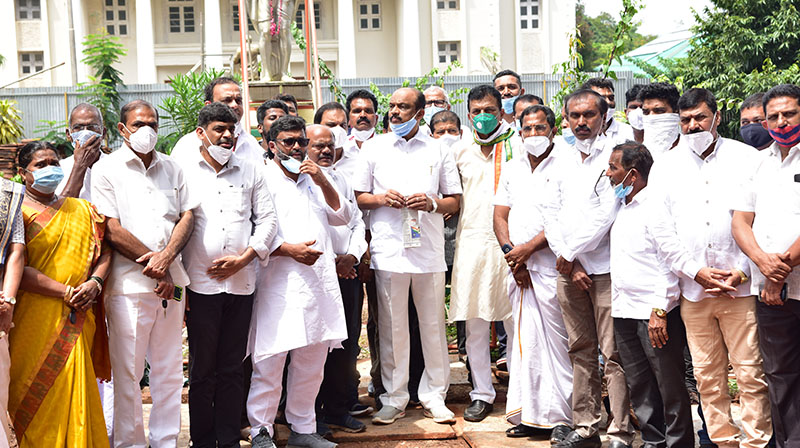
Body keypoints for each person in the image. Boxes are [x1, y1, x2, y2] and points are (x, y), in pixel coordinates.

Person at [648, 88, 772, 448]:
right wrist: (695, 271)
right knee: (707, 377)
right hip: (694, 291)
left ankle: (756, 443)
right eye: (685, 119)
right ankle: (723, 442)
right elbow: (660, 231)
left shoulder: (746, 158)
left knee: (750, 374)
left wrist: (744, 270)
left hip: (740, 288)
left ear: (717, 117)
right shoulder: (666, 166)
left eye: (700, 117)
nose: (693, 125)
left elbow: (762, 221)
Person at [92, 100, 197, 447]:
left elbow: (187, 216)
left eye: (152, 123)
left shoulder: (173, 167)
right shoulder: (106, 169)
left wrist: (166, 259)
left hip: (172, 284)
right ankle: (130, 443)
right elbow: (111, 228)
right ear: (122, 129)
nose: (146, 130)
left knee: (169, 372)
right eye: (138, 124)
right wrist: (156, 267)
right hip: (129, 287)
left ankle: (165, 441)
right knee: (129, 374)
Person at [354, 87, 462, 426]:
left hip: (427, 252)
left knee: (432, 327)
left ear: (419, 113)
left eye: (403, 107)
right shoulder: (374, 147)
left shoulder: (437, 148)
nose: (394, 112)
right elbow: (359, 197)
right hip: (389, 252)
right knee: (392, 328)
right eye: (392, 106)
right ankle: (394, 397)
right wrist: (381, 199)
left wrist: (431, 203)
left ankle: (434, 396)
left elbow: (454, 200)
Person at [247, 115, 353, 448]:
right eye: (289, 141)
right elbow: (251, 229)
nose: (296, 147)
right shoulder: (261, 177)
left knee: (312, 362)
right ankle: (261, 430)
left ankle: (303, 429)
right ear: (271, 145)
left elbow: (343, 216)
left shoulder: (314, 177)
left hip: (318, 285)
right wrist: (288, 250)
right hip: (277, 282)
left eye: (301, 142)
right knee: (270, 360)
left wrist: (321, 180)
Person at [177, 102, 278, 448]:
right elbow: (176, 225)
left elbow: (268, 220)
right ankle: (203, 440)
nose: (226, 136)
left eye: (231, 129)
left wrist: (245, 258)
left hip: (241, 284)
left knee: (234, 366)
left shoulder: (251, 170)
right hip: (199, 286)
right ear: (200, 133)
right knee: (203, 369)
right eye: (218, 129)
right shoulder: (183, 172)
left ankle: (229, 438)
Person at [542, 89, 634, 448]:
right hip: (570, 270)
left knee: (613, 352)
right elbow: (548, 211)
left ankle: (620, 431)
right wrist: (569, 260)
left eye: (589, 115)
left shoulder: (615, 155)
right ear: (565, 119)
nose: (581, 122)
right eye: (575, 116)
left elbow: (608, 212)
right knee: (580, 348)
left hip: (607, 268)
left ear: (603, 117)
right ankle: (585, 426)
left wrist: (569, 253)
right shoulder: (558, 157)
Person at [9, 141, 110, 447]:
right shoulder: (17, 212)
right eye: (41, 165)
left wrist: (95, 282)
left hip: (78, 314)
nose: (50, 169)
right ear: (23, 173)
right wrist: (66, 291)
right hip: (34, 319)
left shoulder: (82, 209)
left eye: (54, 162)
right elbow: (16, 266)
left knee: (75, 386)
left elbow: (105, 252)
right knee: (30, 389)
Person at [607, 141, 694, 447]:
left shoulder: (655, 207)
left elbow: (669, 261)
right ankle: (653, 441)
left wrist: (660, 309)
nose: (608, 174)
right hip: (624, 311)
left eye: (613, 168)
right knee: (640, 385)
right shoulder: (622, 207)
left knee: (669, 386)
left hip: (653, 313)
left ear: (632, 174)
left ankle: (679, 443)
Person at [493, 105, 572, 441]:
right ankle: (530, 415)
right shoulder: (513, 168)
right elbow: (500, 215)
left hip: (553, 268)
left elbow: (565, 219)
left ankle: (563, 418)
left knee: (559, 346)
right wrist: (513, 256)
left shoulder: (568, 164)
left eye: (540, 128)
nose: (534, 134)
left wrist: (527, 251)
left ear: (553, 130)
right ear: (520, 131)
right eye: (528, 129)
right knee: (526, 344)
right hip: (519, 270)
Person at [732, 83, 800, 448]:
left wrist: (779, 271)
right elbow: (740, 222)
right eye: (773, 116)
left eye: (789, 113)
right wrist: (762, 263)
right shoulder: (757, 164)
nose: (781, 122)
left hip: (783, 283)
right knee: (779, 373)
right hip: (772, 293)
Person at [449, 85, 515, 422]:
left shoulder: (516, 145)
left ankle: (519, 394)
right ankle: (482, 393)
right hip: (472, 242)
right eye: (476, 111)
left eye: (489, 110)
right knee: (474, 322)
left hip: (512, 244)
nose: (483, 116)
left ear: (502, 111)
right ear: (468, 113)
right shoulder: (459, 150)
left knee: (515, 321)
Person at [306, 124, 370, 434]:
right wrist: (332, 261)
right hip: (315, 274)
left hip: (347, 273)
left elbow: (356, 222)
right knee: (314, 346)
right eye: (318, 145)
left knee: (346, 344)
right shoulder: (299, 181)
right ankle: (310, 415)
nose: (325, 151)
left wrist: (352, 257)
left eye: (329, 145)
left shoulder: (341, 178)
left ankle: (337, 408)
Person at [172, 77, 264, 165]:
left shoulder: (251, 144)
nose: (235, 105)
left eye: (238, 100)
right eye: (227, 100)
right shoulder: (186, 146)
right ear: (208, 105)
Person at [57, 103, 108, 200]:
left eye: (92, 127)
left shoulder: (116, 165)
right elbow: (61, 207)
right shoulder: (60, 169)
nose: (85, 133)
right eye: (78, 127)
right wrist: (80, 165)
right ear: (68, 134)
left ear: (103, 133)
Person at [582, 78, 634, 144]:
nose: (608, 102)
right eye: (602, 98)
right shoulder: (579, 134)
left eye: (611, 98)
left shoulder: (628, 132)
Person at [639, 82, 681, 157]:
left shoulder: (692, 152)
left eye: (659, 111)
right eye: (646, 112)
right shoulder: (638, 155)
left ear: (676, 111)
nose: (651, 116)